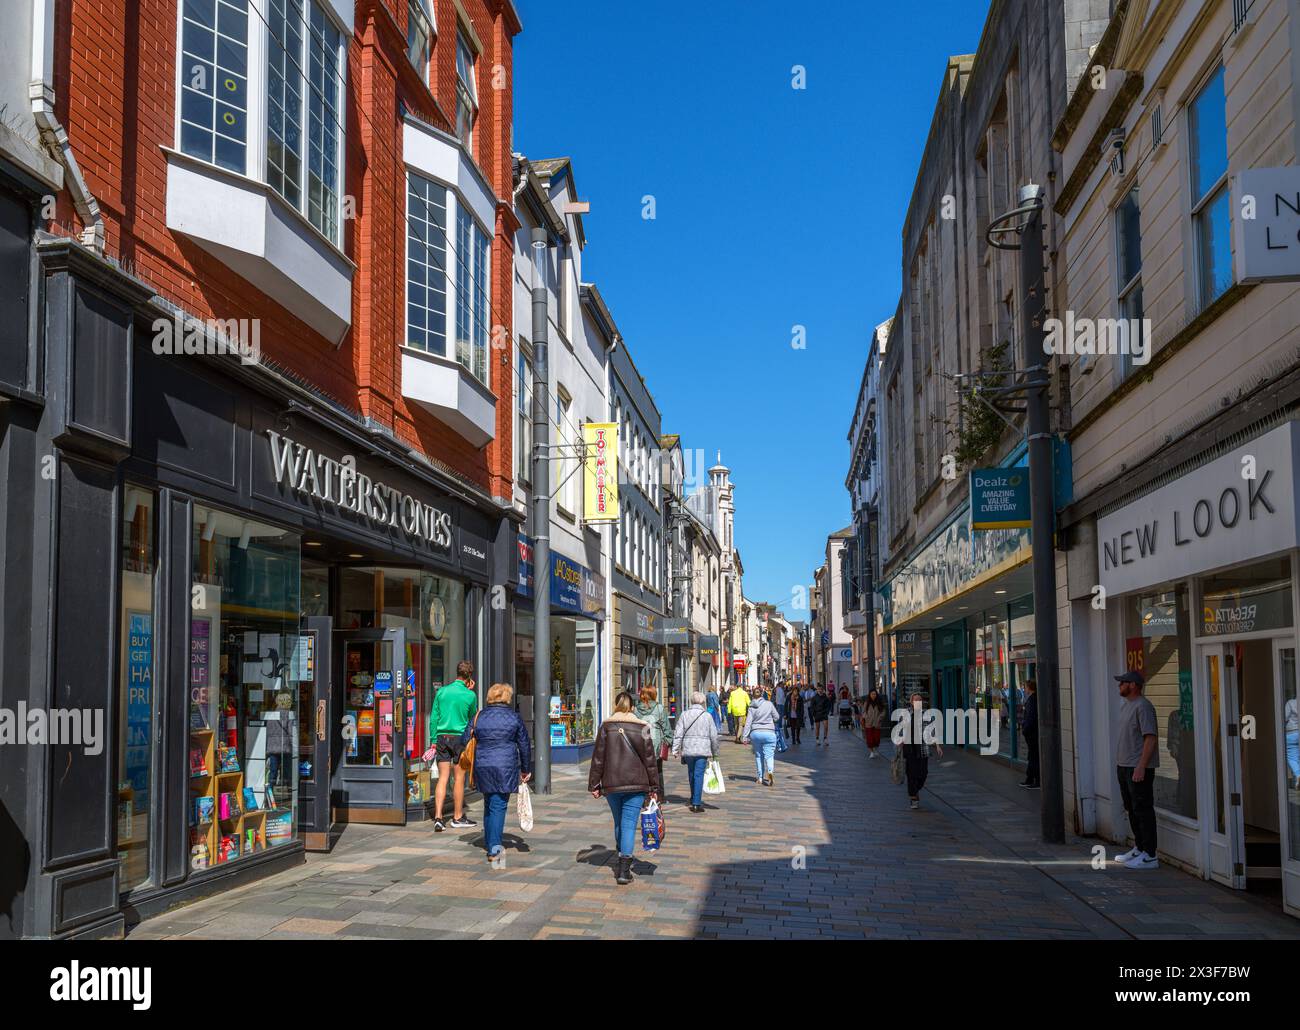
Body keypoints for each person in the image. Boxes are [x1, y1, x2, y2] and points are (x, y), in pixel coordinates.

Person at [589, 691, 660, 885]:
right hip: (636, 783)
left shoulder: (606, 726)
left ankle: (622, 854)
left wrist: (594, 784)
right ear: (632, 707)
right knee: (628, 824)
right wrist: (654, 785)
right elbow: (650, 759)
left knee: (619, 822)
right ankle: (623, 869)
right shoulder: (643, 727)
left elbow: (598, 757)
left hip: (611, 783)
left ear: (616, 705)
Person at [461, 683, 531, 862]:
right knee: (498, 805)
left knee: (489, 803)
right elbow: (524, 745)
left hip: (482, 765)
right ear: (507, 697)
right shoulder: (514, 718)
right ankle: (494, 848)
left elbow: (464, 739)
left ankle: (490, 841)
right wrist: (525, 769)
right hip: (504, 766)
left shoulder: (479, 716)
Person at [1113, 670, 1159, 870]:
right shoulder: (1126, 706)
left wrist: (1141, 765)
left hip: (1138, 767)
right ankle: (1139, 847)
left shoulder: (1143, 707)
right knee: (1131, 808)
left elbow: (1150, 737)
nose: (1119, 685)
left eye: (1122, 682)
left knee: (1143, 809)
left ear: (1132, 685)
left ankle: (1150, 855)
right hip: (1124, 766)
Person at [431, 660, 479, 831]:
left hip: (442, 737)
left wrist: (433, 741)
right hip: (459, 739)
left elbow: (434, 718)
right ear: (469, 677)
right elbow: (473, 717)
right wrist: (469, 692)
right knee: (459, 778)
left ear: (457, 673)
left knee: (443, 777)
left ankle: (438, 817)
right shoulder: (470, 695)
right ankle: (457, 817)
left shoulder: (442, 691)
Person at [672, 691, 719, 812]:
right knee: (698, 775)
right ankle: (696, 803)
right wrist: (715, 752)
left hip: (688, 749)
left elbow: (678, 733)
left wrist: (675, 749)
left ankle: (694, 797)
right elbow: (713, 736)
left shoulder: (684, 714)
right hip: (702, 750)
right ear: (703, 702)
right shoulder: (707, 716)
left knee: (691, 774)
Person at [901, 692, 943, 810]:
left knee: (923, 773)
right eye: (915, 700)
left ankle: (916, 790)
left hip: (922, 748)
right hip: (909, 749)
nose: (918, 702)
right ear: (911, 702)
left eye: (919, 700)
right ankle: (913, 797)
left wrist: (938, 746)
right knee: (911, 774)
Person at [634, 686, 672, 792]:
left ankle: (644, 794)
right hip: (656, 745)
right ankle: (658, 794)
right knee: (658, 771)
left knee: (642, 770)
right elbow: (666, 728)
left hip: (641, 744)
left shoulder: (636, 710)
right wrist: (668, 741)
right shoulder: (659, 708)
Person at [742, 689, 780, 786]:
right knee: (769, 755)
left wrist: (744, 736)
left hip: (756, 733)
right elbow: (777, 717)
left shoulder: (751, 707)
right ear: (762, 694)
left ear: (752, 696)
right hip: (769, 733)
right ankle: (770, 772)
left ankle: (760, 777)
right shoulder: (769, 704)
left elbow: (748, 723)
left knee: (759, 755)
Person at [1020, 679, 1040, 789]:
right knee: (1032, 756)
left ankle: (1036, 780)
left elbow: (1030, 718)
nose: (1024, 689)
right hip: (1032, 733)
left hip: (1032, 734)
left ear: (1029, 688)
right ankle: (1030, 778)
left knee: (1033, 756)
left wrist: (1025, 730)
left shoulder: (1032, 700)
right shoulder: (1033, 699)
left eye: (1025, 687)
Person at [861, 689, 885, 757]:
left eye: (874, 694)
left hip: (877, 723)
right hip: (869, 723)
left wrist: (880, 717)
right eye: (872, 694)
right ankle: (871, 752)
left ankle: (875, 748)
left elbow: (883, 711)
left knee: (877, 738)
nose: (873, 695)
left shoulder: (879, 702)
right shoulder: (867, 703)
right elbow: (863, 712)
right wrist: (866, 717)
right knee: (870, 738)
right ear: (870, 695)